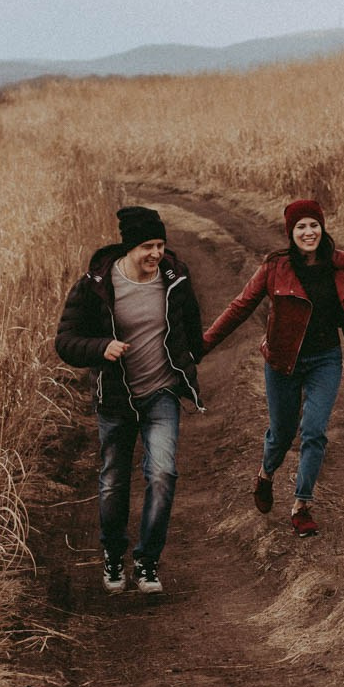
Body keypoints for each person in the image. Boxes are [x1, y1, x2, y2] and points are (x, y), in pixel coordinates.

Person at [201, 198, 344, 538]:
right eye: (301, 227)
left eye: (314, 225)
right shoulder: (275, 266)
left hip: (325, 359)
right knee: (282, 433)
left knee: (315, 431)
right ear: (291, 232)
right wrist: (204, 344)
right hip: (282, 360)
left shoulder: (336, 264)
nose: (308, 232)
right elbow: (240, 307)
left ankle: (302, 505)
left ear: (322, 228)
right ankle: (265, 474)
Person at [55, 205, 204, 595]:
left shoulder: (175, 277)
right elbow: (65, 342)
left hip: (162, 394)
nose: (156, 254)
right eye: (147, 247)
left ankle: (148, 561)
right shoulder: (96, 285)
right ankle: (113, 554)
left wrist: (183, 364)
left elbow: (192, 328)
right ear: (128, 248)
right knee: (113, 481)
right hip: (117, 399)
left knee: (163, 473)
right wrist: (101, 347)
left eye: (160, 245)